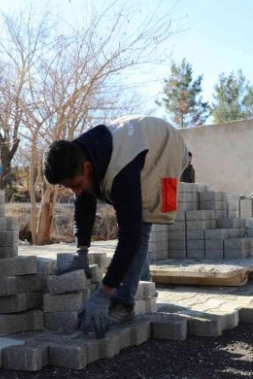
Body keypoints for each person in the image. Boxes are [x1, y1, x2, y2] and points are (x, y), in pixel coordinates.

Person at [43, 115, 189, 338]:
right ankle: (142, 281)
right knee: (123, 217)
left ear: (87, 167)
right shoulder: (79, 153)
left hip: (165, 148)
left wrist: (105, 293)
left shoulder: (122, 172)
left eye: (76, 185)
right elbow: (84, 203)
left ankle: (125, 301)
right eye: (69, 187)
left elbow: (130, 236)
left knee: (141, 221)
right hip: (140, 143)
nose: (77, 191)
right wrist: (81, 251)